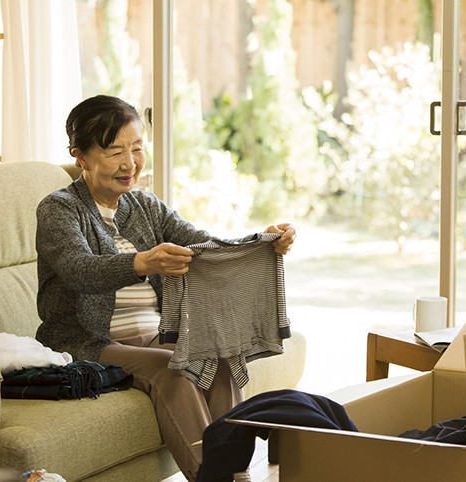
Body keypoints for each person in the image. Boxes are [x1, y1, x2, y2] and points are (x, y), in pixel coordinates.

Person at [34, 94, 295, 481]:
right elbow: (78, 271)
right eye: (114, 150)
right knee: (174, 368)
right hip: (87, 341)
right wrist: (143, 262)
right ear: (81, 157)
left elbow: (204, 245)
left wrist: (263, 240)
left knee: (217, 357)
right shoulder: (59, 209)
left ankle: (237, 475)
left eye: (137, 148)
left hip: (154, 334)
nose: (130, 162)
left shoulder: (145, 207)